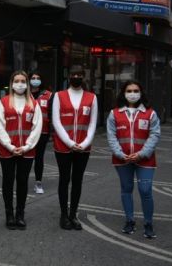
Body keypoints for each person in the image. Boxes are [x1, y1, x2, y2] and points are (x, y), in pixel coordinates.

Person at [106, 81, 160, 239]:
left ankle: (148, 223)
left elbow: (155, 135)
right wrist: (120, 154)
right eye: (129, 90)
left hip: (145, 159)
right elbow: (111, 136)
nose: (132, 93)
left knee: (145, 190)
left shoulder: (150, 113)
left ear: (141, 93)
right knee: (126, 189)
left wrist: (142, 154)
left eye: (136, 90)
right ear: (123, 93)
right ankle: (129, 220)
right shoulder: (114, 113)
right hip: (122, 159)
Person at [52, 65, 98, 231]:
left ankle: (73, 214)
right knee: (64, 180)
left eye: (79, 75)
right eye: (73, 74)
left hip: (83, 147)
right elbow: (56, 122)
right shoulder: (59, 96)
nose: (76, 77)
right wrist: (71, 143)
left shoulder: (92, 98)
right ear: (68, 76)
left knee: (77, 181)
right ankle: (64, 215)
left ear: (83, 77)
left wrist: (84, 143)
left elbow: (93, 123)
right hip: (63, 146)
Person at [0, 71, 42, 230]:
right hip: (7, 150)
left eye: (23, 81)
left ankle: (20, 215)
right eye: (17, 81)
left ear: (27, 84)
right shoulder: (3, 102)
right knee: (7, 182)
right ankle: (9, 215)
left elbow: (37, 127)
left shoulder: (33, 103)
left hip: (26, 151)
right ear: (12, 83)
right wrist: (10, 146)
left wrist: (27, 146)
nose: (20, 84)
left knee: (22, 182)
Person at [30, 72, 53, 194]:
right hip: (26, 132)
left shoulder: (48, 95)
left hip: (43, 132)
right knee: (25, 158)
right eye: (33, 78)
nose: (35, 80)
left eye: (38, 78)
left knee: (39, 158)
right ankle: (21, 181)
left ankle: (38, 183)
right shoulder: (24, 94)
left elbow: (52, 114)